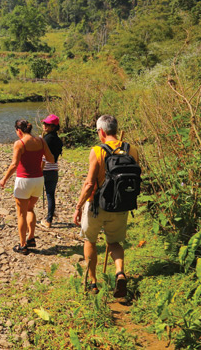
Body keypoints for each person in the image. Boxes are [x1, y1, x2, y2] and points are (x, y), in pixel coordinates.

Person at [73, 114, 138, 297]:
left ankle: (93, 283)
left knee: (90, 241)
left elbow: (89, 184)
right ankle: (119, 273)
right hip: (121, 205)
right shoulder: (131, 149)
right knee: (115, 242)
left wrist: (78, 206)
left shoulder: (97, 151)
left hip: (97, 206)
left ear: (101, 131)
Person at [0, 119, 54, 255]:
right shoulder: (41, 141)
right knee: (30, 208)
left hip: (24, 181)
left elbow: (14, 165)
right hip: (38, 180)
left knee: (21, 214)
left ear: (19, 131)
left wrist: (4, 178)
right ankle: (31, 237)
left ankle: (23, 245)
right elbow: (51, 159)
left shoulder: (20, 143)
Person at [41, 114, 63, 228]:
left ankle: (29, 216)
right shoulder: (58, 140)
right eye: (44, 123)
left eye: (47, 124)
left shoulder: (46, 139)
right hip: (54, 170)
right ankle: (49, 218)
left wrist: (39, 170)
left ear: (53, 127)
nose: (44, 125)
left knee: (33, 194)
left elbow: (43, 157)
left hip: (44, 170)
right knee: (50, 194)